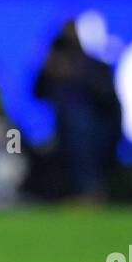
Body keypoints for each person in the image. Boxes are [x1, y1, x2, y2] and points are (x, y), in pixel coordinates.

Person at [31, 20, 122, 202]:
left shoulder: (95, 67)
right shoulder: (53, 67)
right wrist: (48, 68)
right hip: (61, 131)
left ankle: (90, 190)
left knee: (78, 124)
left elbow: (109, 102)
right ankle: (63, 193)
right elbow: (36, 92)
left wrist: (78, 75)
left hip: (98, 131)